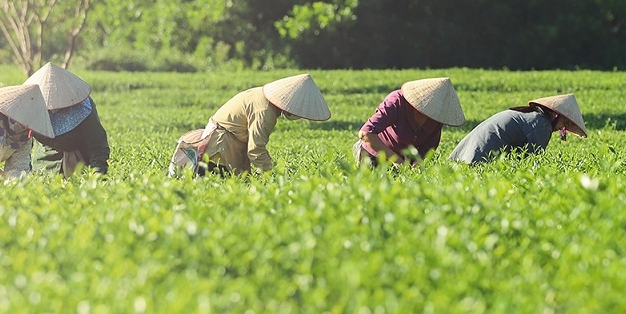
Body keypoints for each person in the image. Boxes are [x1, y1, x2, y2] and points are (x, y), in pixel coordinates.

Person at [169, 73, 330, 176]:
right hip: (220, 151)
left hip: (222, 145)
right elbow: (256, 150)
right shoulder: (265, 111)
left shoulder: (259, 95)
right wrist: (274, 176)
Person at [449, 94, 587, 165]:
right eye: (565, 123)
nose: (562, 129)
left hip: (468, 151)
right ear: (555, 115)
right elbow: (531, 162)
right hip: (481, 156)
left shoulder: (531, 116)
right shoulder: (541, 125)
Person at [24, 63, 110, 177]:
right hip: (43, 169)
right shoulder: (31, 108)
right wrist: (25, 175)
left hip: (79, 167)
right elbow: (22, 148)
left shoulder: (83, 106)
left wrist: (97, 174)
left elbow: (97, 144)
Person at [355, 77, 465, 166]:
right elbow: (366, 133)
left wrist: (417, 163)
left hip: (405, 163)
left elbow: (429, 146)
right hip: (374, 156)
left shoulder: (437, 116)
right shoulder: (397, 101)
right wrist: (397, 160)